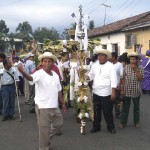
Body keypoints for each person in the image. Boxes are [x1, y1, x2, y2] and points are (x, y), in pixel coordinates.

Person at [18, 52, 67, 150]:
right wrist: (23, 72)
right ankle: (44, 147)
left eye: (49, 61)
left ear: (53, 63)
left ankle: (45, 139)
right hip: (43, 107)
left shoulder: (55, 75)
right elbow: (31, 78)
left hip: (54, 106)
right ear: (41, 63)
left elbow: (59, 90)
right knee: (44, 129)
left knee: (58, 123)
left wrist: (63, 103)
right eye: (45, 61)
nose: (47, 63)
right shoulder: (39, 73)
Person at [88, 49, 117, 134]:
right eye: (99, 55)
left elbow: (113, 79)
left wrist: (113, 91)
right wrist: (85, 77)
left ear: (106, 57)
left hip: (106, 93)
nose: (100, 57)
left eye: (102, 55)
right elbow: (91, 75)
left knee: (107, 111)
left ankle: (110, 127)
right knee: (96, 111)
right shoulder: (94, 65)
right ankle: (96, 126)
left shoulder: (110, 66)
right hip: (96, 92)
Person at [119, 52, 144, 128]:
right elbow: (122, 79)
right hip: (127, 91)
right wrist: (122, 90)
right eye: (131, 59)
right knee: (125, 108)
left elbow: (140, 79)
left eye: (134, 59)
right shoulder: (126, 68)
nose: (132, 61)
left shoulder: (140, 68)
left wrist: (136, 70)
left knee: (136, 108)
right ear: (129, 60)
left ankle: (136, 122)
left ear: (137, 60)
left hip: (136, 91)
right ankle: (123, 123)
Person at [110, 52, 123, 118]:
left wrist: (120, 86)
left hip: (117, 85)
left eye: (111, 56)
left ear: (114, 57)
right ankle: (109, 113)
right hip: (110, 86)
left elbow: (121, 76)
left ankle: (117, 113)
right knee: (110, 100)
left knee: (117, 100)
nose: (110, 58)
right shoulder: (110, 65)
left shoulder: (119, 65)